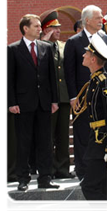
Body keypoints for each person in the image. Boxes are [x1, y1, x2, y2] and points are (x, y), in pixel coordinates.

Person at [64, 5, 107, 180]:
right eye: (98, 17)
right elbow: (69, 71)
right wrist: (73, 97)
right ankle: (83, 172)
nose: (102, 20)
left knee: (106, 131)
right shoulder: (74, 42)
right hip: (83, 98)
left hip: (104, 97)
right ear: (87, 20)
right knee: (82, 134)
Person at [6, 14, 59, 191]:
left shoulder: (46, 47)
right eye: (36, 26)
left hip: (44, 102)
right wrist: (11, 102)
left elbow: (53, 77)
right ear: (25, 28)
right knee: (24, 142)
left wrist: (54, 100)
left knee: (45, 141)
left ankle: (45, 177)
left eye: (39, 26)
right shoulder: (13, 50)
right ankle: (23, 178)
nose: (40, 29)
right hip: (23, 104)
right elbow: (9, 79)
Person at [79, 33, 107, 211]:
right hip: (97, 140)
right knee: (105, 188)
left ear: (93, 59)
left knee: (91, 186)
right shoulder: (95, 80)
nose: (83, 56)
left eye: (86, 54)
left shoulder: (105, 83)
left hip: (104, 142)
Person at [40, 11, 74, 179]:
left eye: (59, 28)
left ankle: (62, 169)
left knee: (63, 135)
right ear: (46, 29)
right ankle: (48, 170)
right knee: (48, 136)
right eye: (55, 28)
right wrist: (43, 42)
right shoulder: (40, 46)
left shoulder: (63, 46)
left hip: (63, 96)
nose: (59, 31)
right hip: (47, 98)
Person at [5, 26, 17, 183]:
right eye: (3, 34)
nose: (6, 36)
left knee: (11, 140)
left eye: (7, 34)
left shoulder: (9, 52)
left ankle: (11, 172)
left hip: (9, 103)